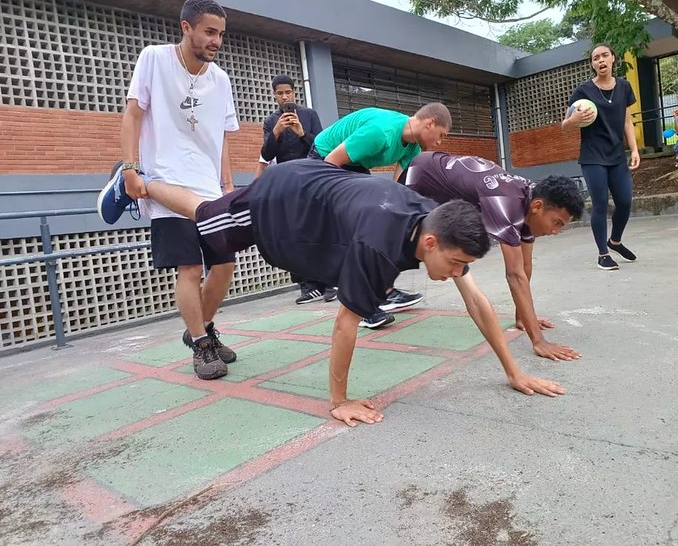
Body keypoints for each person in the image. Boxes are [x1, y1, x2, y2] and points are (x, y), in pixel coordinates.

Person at [140, 159, 566, 427]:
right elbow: (346, 323)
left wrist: (513, 369)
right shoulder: (377, 247)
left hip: (320, 188)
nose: (458, 273)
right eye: (456, 264)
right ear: (431, 244)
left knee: (209, 223)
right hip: (280, 199)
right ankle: (138, 185)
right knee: (202, 213)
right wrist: (339, 401)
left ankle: (142, 185)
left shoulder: (437, 222)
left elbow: (476, 301)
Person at [97, 0, 239, 381]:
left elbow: (225, 137)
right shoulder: (154, 59)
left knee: (225, 265)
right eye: (209, 32)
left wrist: (227, 185)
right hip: (165, 181)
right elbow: (133, 114)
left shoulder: (221, 79)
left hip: (208, 188)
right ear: (186, 27)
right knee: (190, 267)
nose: (216, 41)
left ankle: (201, 330)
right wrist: (130, 169)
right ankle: (201, 343)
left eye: (221, 34)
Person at [404, 152, 585, 361]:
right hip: (420, 175)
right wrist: (539, 341)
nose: (556, 232)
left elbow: (525, 265)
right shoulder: (506, 203)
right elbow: (515, 275)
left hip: (448, 185)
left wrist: (525, 319)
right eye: (557, 223)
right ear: (537, 207)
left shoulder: (530, 200)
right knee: (404, 246)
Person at [310, 103, 452, 328]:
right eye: (441, 135)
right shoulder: (381, 133)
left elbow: (395, 191)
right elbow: (330, 164)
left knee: (380, 223)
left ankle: (385, 291)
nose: (439, 143)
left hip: (355, 164)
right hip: (326, 158)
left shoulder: (412, 148)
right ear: (430, 123)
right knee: (353, 232)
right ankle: (364, 308)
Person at [255, 74, 334, 305]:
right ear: (274, 95)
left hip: (312, 178)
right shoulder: (271, 121)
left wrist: (301, 132)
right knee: (294, 233)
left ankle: (331, 281)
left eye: (287, 92)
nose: (284, 97)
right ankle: (308, 286)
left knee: (320, 229)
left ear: (294, 92)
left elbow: (322, 146)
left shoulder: (309, 115)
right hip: (287, 182)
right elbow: (267, 155)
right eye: (279, 93)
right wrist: (277, 131)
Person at [562, 43, 641, 271]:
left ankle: (614, 241)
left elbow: (627, 121)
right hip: (592, 156)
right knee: (600, 204)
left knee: (625, 202)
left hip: (616, 155)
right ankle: (603, 254)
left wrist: (634, 149)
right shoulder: (583, 92)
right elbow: (565, 124)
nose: (601, 60)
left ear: (613, 58)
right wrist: (573, 121)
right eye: (596, 58)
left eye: (605, 55)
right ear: (592, 64)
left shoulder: (624, 87)